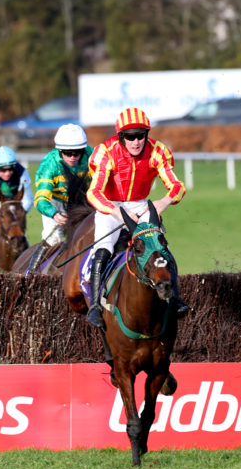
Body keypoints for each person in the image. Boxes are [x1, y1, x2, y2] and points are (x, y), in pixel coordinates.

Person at [84, 107, 188, 329]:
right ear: (121, 137)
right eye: (130, 136)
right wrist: (117, 212)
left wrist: (162, 202)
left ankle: (175, 298)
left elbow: (177, 186)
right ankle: (94, 306)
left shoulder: (158, 151)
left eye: (140, 135)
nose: (136, 141)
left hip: (142, 205)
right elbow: (94, 193)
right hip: (110, 207)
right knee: (103, 250)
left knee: (160, 249)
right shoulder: (106, 151)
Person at [27, 124, 94, 275]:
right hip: (55, 202)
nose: (72, 157)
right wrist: (54, 214)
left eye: (77, 153)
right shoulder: (50, 164)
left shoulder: (92, 156)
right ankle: (30, 274)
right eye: (67, 153)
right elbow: (41, 200)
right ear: (59, 151)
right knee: (53, 239)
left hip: (82, 200)